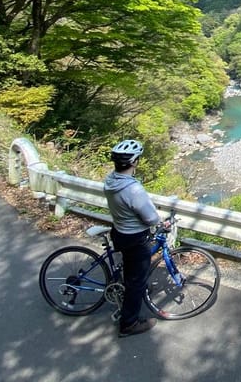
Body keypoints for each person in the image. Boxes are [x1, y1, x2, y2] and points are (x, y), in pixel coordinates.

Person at [103, 139, 166, 338]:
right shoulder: (133, 189)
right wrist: (160, 222)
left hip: (119, 231)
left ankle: (135, 289)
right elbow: (150, 217)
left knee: (132, 271)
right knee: (135, 281)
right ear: (135, 162)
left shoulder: (110, 181)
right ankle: (128, 324)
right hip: (134, 238)